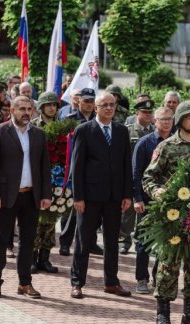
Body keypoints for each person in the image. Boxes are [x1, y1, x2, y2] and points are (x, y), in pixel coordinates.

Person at [142, 100, 190, 324]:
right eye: (189, 116)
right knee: (168, 266)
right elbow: (149, 178)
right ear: (180, 119)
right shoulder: (167, 147)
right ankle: (162, 314)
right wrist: (158, 192)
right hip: (173, 217)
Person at [0, 95, 52, 300]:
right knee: (1, 241)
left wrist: (45, 194)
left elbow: (44, 167)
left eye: (29, 109)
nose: (26, 112)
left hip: (31, 196)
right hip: (4, 196)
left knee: (28, 241)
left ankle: (25, 282)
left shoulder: (38, 134)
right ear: (12, 111)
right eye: (21, 108)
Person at [70, 91, 133, 299]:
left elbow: (126, 164)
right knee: (83, 240)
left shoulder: (122, 131)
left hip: (114, 197)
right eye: (104, 104)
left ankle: (111, 282)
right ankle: (77, 282)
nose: (108, 108)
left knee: (112, 241)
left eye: (112, 104)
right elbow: (77, 166)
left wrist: (126, 194)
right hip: (89, 197)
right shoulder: (84, 130)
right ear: (95, 108)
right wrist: (77, 197)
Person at [132, 107, 174, 294]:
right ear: (155, 121)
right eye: (162, 119)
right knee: (144, 241)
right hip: (147, 200)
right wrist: (137, 198)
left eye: (169, 119)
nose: (166, 122)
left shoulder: (177, 143)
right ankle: (142, 278)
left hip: (171, 202)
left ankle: (159, 276)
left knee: (166, 240)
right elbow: (135, 173)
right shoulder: (145, 143)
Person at [59, 87, 103, 257]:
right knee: (70, 210)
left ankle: (90, 242)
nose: (89, 104)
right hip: (73, 171)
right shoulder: (69, 120)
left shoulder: (100, 120)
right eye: (86, 101)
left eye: (92, 101)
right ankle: (65, 242)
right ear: (78, 101)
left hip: (94, 172)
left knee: (94, 212)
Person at [29, 91, 61, 274]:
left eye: (54, 105)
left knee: (51, 220)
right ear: (41, 107)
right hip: (36, 179)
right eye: (48, 105)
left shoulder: (62, 127)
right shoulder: (33, 126)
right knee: (36, 221)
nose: (51, 107)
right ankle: (31, 258)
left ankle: (45, 258)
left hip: (56, 180)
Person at [119, 99, 155, 255]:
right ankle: (123, 241)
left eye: (150, 112)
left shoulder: (155, 131)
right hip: (130, 176)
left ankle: (141, 240)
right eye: (144, 112)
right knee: (127, 212)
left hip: (148, 178)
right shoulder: (128, 130)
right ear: (137, 113)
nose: (147, 115)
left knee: (146, 212)